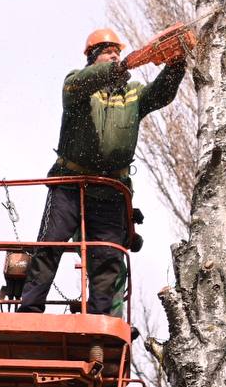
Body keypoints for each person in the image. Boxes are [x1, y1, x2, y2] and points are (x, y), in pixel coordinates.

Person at [16, 28, 186, 315]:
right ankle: (30, 309)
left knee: (107, 258)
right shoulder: (78, 87)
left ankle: (99, 320)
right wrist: (115, 69)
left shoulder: (132, 95)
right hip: (69, 183)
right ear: (93, 58)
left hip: (109, 190)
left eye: (117, 52)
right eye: (108, 52)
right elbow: (80, 83)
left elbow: (162, 93)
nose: (115, 56)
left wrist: (177, 62)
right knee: (50, 245)